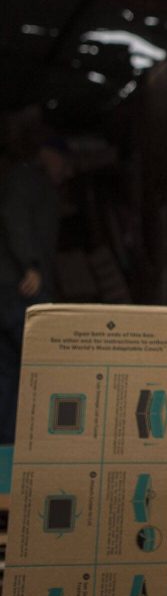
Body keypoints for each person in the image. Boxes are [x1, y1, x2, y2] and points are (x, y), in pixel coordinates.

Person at [0, 134, 70, 443]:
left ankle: (11, 448)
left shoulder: (36, 183)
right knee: (44, 362)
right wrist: (30, 264)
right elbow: (14, 218)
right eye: (62, 162)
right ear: (47, 154)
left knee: (11, 372)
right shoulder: (26, 179)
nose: (65, 170)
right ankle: (44, 443)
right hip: (19, 290)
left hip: (16, 289)